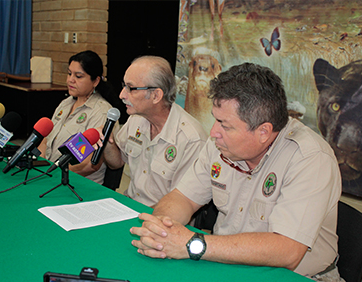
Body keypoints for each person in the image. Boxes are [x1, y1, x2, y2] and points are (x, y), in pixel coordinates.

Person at [129, 63, 343, 281]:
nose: (214, 132)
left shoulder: (310, 158)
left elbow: (288, 251)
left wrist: (193, 244)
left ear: (263, 132)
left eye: (225, 125)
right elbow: (182, 197)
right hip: (227, 266)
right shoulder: (220, 145)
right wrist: (160, 231)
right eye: (215, 119)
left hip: (298, 277)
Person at [101, 55, 208, 207]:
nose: (122, 95)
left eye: (131, 88)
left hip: (162, 219)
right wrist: (108, 142)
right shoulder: (137, 119)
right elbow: (116, 163)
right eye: (124, 86)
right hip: (131, 205)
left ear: (156, 95)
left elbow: (180, 203)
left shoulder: (191, 139)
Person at [38, 50, 120, 185]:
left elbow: (90, 164)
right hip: (49, 175)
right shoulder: (66, 103)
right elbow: (45, 140)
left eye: (79, 76)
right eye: (69, 73)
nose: (71, 79)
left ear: (96, 81)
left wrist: (55, 173)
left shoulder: (101, 112)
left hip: (76, 184)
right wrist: (41, 165)